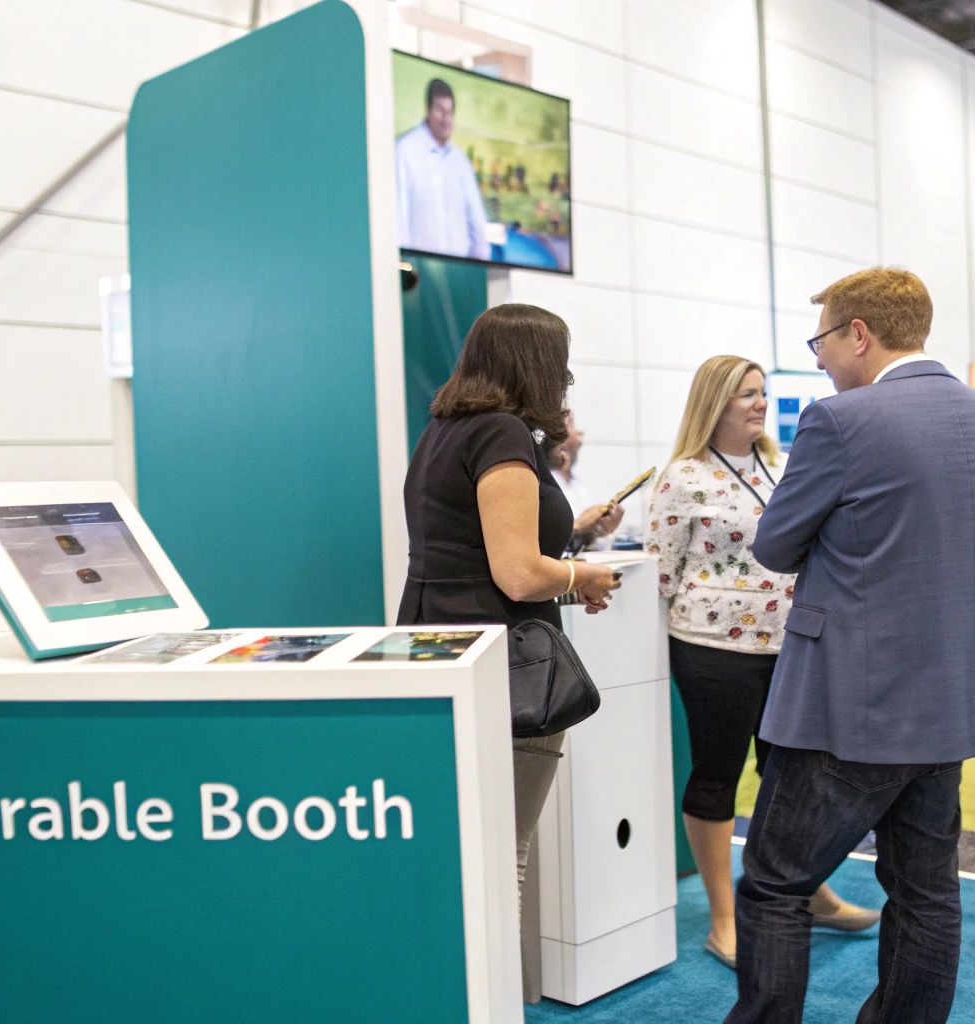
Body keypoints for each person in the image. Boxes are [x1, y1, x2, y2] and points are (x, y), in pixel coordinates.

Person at [725, 269, 975, 1024]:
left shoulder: (840, 421)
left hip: (852, 701)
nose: (818, 359)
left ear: (859, 335)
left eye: (821, 340)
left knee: (775, 883)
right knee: (927, 887)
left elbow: (775, 545)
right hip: (952, 700)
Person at [397, 303, 621, 1000]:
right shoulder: (501, 435)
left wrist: (570, 536)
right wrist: (581, 575)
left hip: (440, 647)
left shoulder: (445, 429)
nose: (568, 377)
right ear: (537, 365)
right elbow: (519, 574)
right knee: (504, 852)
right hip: (506, 661)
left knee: (466, 850)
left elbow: (474, 545)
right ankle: (493, 1005)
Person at [647, 355, 878, 972]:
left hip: (791, 644)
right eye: (745, 394)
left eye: (762, 393)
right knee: (718, 774)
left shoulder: (782, 465)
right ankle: (725, 916)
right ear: (713, 404)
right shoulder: (681, 478)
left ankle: (805, 889)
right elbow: (661, 575)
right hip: (711, 649)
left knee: (791, 773)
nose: (758, 403)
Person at [395, 77, 490, 260]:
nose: (446, 120)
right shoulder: (405, 151)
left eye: (450, 112)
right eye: (440, 111)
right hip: (419, 271)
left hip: (462, 272)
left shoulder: (460, 160)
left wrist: (481, 268)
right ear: (428, 110)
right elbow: (399, 220)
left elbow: (476, 221)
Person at [548, 410, 624, 551]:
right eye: (571, 424)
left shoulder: (579, 486)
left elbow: (580, 544)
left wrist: (602, 530)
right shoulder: (544, 485)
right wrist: (578, 526)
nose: (579, 438)